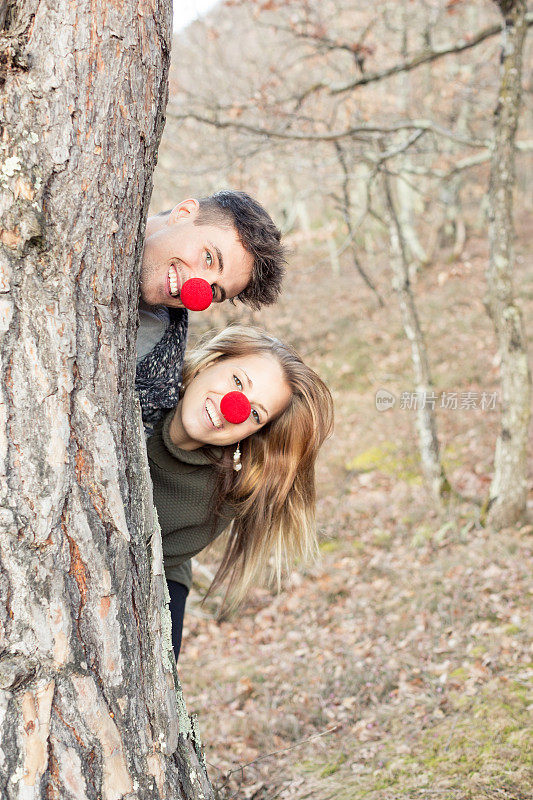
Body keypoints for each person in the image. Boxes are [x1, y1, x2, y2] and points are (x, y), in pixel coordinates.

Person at [146, 325, 334, 660]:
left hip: (157, 570)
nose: (232, 407)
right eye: (237, 382)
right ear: (210, 362)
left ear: (254, 433)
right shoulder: (140, 376)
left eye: (254, 413)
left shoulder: (220, 498)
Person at [136, 191, 286, 434]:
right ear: (183, 213)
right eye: (209, 258)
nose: (196, 287)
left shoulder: (159, 354)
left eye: (214, 291)